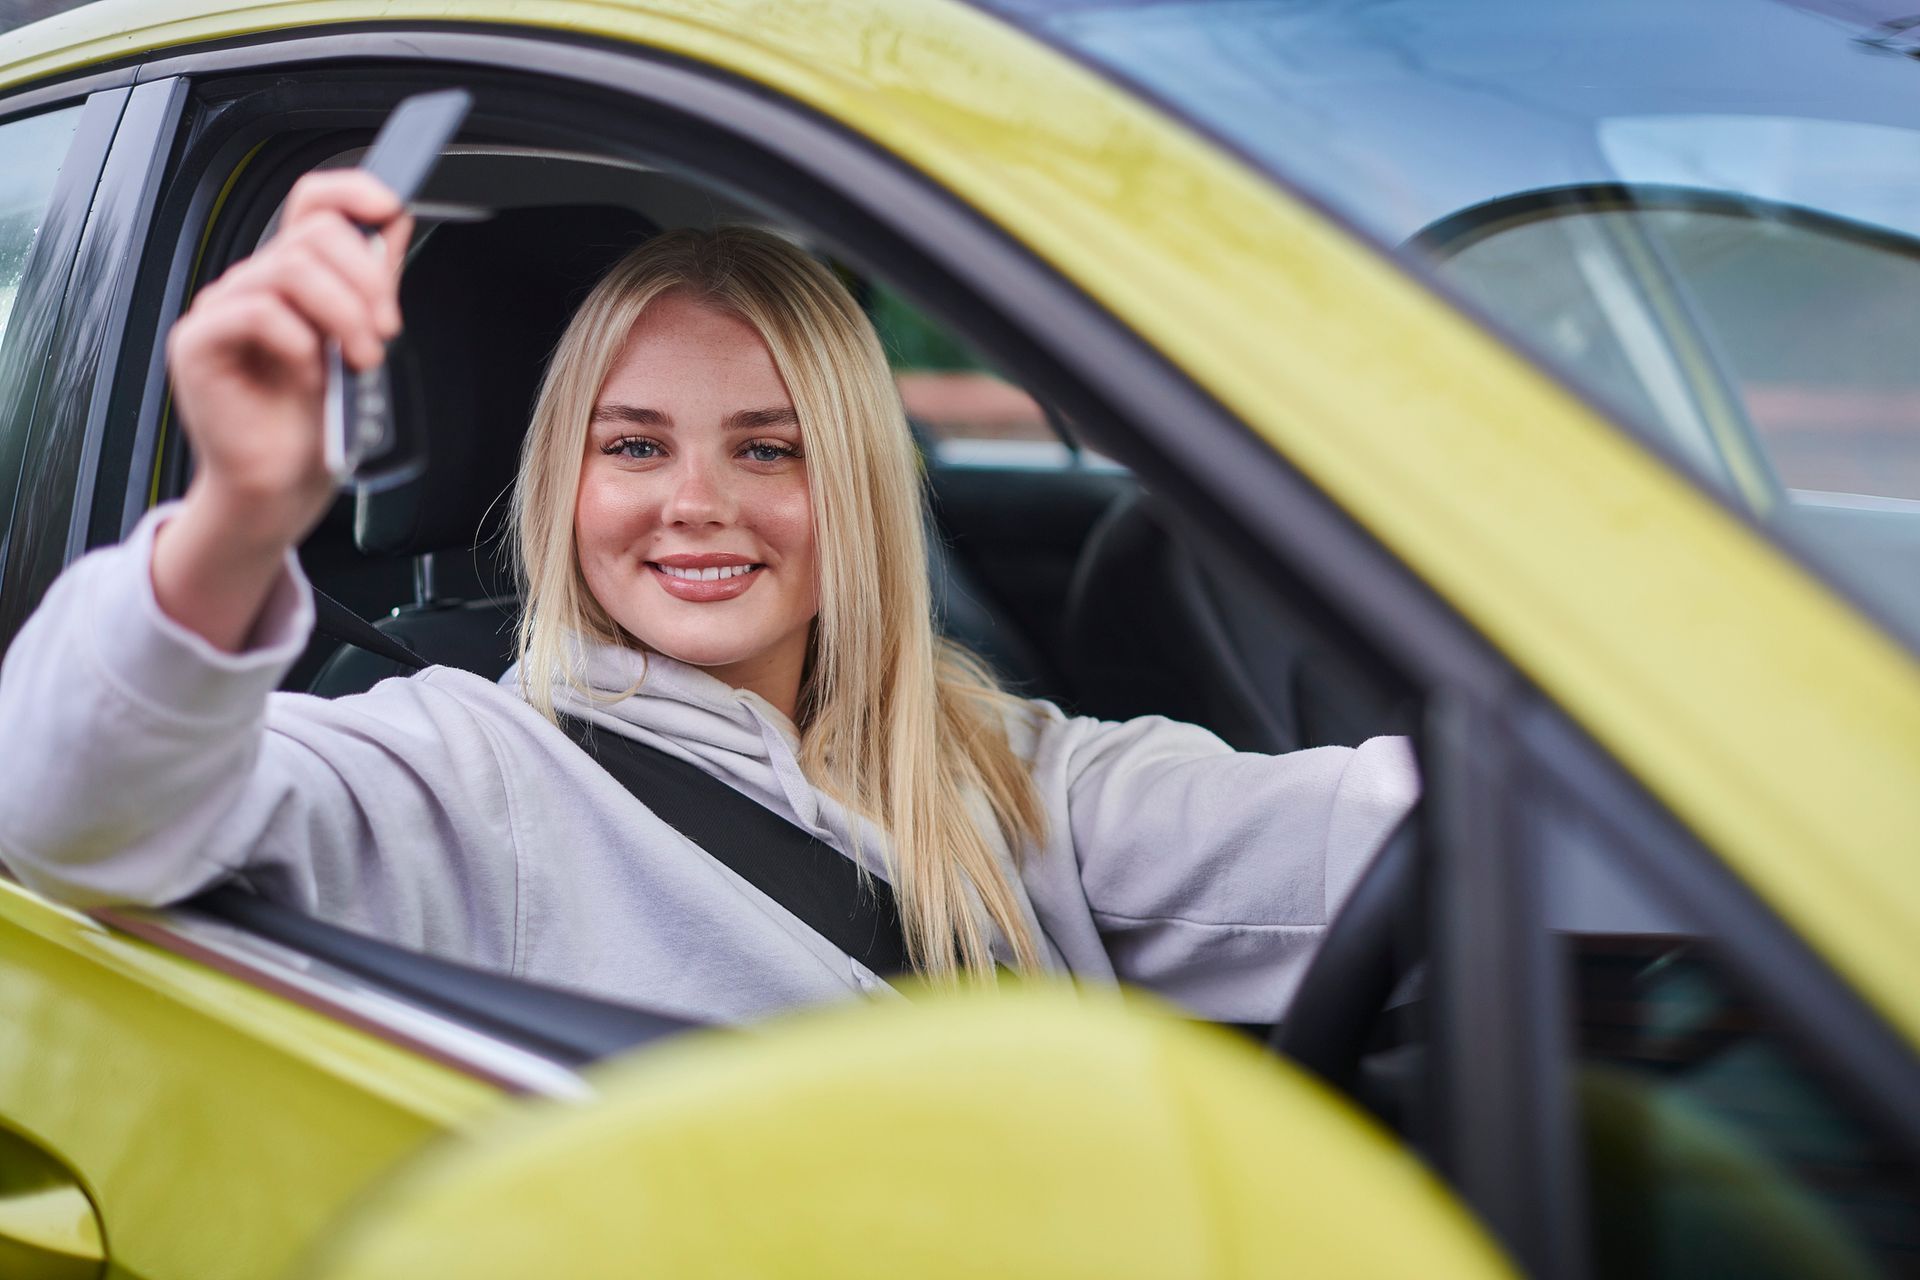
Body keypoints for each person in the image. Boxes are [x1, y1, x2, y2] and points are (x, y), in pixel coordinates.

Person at [0, 172, 1415, 1026]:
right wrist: (242, 518)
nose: (698, 502)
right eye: (633, 446)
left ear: (853, 487)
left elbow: (1353, 836)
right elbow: (66, 811)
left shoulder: (989, 764)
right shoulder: (464, 769)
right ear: (563, 482)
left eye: (768, 447)